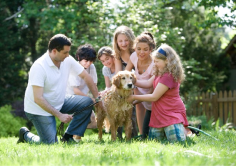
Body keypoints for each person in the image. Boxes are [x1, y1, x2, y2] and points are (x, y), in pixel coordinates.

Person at [17, 34, 101, 144]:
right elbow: (38, 98)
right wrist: (59, 115)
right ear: (54, 51)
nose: (68, 55)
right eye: (65, 52)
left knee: (87, 102)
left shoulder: (67, 60)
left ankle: (68, 137)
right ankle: (25, 135)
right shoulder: (39, 67)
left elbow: (86, 77)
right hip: (39, 109)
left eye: (68, 52)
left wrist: (97, 99)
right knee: (50, 144)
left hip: (59, 101)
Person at [127, 44, 189, 142]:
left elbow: (154, 97)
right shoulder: (159, 72)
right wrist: (132, 81)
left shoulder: (168, 76)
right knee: (154, 142)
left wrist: (134, 97)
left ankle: (187, 132)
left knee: (177, 141)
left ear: (167, 61)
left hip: (171, 113)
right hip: (159, 114)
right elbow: (148, 84)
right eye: (154, 61)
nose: (154, 64)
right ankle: (184, 131)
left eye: (157, 61)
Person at [98, 45, 138, 138]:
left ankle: (133, 136)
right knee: (115, 113)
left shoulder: (122, 66)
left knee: (131, 115)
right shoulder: (105, 69)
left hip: (127, 94)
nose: (106, 62)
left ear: (113, 56)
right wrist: (104, 93)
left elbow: (130, 81)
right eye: (103, 61)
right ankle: (117, 136)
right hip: (115, 94)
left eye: (107, 59)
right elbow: (108, 86)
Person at [125, 32, 155, 139]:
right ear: (135, 48)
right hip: (138, 90)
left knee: (149, 111)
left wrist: (133, 100)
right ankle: (142, 135)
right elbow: (126, 73)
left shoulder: (155, 64)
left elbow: (151, 89)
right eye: (138, 49)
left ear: (151, 49)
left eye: (145, 49)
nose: (141, 52)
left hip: (152, 96)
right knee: (139, 109)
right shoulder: (134, 56)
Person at [66, 44, 98, 142]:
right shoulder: (74, 67)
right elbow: (76, 91)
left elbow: (94, 85)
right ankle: (74, 138)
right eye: (86, 60)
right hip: (70, 99)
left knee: (94, 122)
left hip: (85, 99)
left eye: (91, 61)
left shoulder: (91, 67)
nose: (88, 63)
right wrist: (91, 100)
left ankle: (72, 136)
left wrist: (97, 98)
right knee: (86, 117)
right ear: (79, 58)